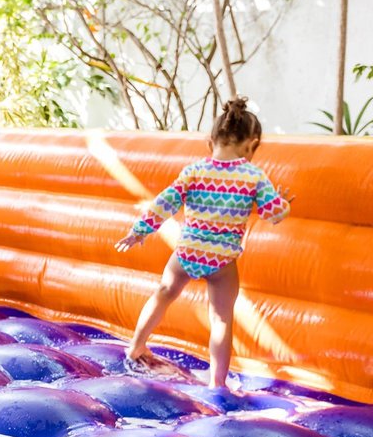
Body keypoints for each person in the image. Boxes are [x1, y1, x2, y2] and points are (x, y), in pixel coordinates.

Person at [114, 96, 289, 389]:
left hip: (188, 252)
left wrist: (140, 230)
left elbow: (165, 202)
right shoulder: (254, 175)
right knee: (221, 319)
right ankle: (217, 383)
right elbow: (274, 214)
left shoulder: (194, 171)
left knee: (163, 292)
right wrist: (283, 202)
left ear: (211, 141)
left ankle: (136, 346)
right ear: (252, 144)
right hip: (221, 261)